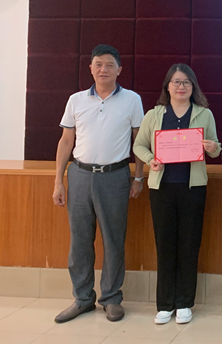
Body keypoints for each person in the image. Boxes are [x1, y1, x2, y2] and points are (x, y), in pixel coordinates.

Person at [52, 44, 145, 324]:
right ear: (90, 68)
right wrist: (58, 181)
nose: (103, 69)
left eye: (109, 65)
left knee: (114, 240)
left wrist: (138, 177)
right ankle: (82, 298)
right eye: (98, 64)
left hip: (115, 176)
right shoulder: (76, 100)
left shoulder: (132, 100)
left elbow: (139, 141)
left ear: (119, 69)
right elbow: (66, 141)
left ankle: (111, 298)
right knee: (80, 240)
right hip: (80, 175)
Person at [133, 64, 221, 325]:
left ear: (193, 87)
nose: (181, 87)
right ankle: (164, 305)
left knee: (189, 244)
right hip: (162, 189)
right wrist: (151, 160)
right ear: (167, 86)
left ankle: (184, 303)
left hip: (193, 188)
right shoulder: (154, 114)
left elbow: (216, 149)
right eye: (176, 82)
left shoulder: (204, 114)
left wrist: (212, 147)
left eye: (186, 82)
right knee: (165, 245)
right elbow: (139, 145)